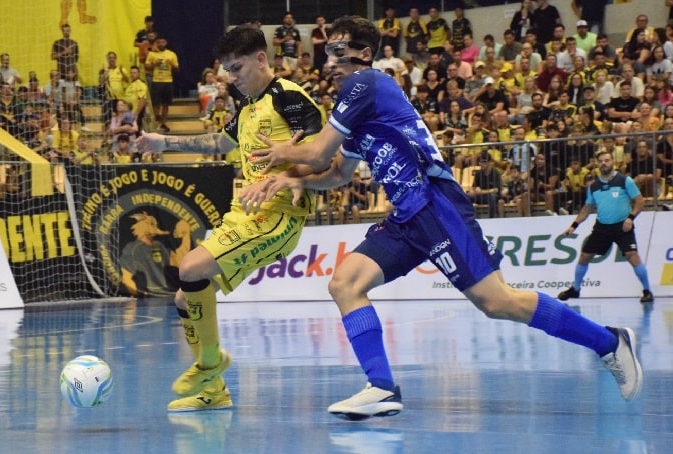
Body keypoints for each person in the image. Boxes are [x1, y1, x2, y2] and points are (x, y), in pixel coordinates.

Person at [241, 15, 642, 420]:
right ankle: (381, 387)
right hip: (405, 216)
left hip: (434, 203)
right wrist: (300, 183)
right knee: (345, 283)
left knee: (498, 302)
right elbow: (337, 173)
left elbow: (316, 155)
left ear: (364, 54)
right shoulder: (356, 113)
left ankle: (609, 343)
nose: (329, 59)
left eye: (338, 50)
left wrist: (283, 157)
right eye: (326, 51)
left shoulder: (366, 83)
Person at [135, 25, 326, 412]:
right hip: (245, 213)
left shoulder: (288, 97)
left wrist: (289, 169)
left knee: (190, 267)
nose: (231, 77)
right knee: (185, 297)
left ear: (261, 59)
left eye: (237, 68)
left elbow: (324, 150)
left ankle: (210, 361)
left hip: (279, 217)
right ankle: (214, 391)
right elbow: (219, 144)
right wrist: (164, 142)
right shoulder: (247, 108)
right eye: (227, 70)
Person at [558, 150, 654, 304]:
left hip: (623, 227)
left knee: (632, 256)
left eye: (607, 160)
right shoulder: (594, 186)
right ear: (597, 164)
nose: (604, 163)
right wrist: (574, 225)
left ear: (613, 162)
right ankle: (575, 289)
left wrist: (631, 218)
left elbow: (640, 201)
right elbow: (587, 208)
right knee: (584, 257)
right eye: (601, 161)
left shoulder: (625, 180)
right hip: (602, 228)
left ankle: (647, 290)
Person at [144, 36, 179, 133]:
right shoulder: (152, 54)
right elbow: (146, 66)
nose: (161, 44)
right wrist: (155, 64)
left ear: (166, 42)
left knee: (165, 104)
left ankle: (163, 123)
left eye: (163, 42)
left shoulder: (171, 54)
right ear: (156, 43)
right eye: (159, 42)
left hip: (168, 81)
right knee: (156, 104)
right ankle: (156, 122)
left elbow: (177, 69)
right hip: (156, 81)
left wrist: (171, 63)